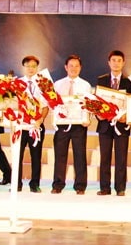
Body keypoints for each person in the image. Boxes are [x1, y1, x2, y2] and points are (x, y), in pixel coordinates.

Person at [96, 50, 131, 196]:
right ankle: (104, 188)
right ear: (109, 62)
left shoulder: (130, 83)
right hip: (105, 125)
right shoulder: (101, 80)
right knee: (104, 157)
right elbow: (96, 102)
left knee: (121, 157)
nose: (116, 63)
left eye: (119, 60)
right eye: (113, 60)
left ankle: (120, 188)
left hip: (122, 125)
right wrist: (99, 115)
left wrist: (127, 116)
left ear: (123, 63)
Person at [51, 55, 91, 195]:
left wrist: (87, 119)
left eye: (76, 66)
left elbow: (88, 105)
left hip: (79, 125)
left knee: (80, 155)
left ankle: (80, 186)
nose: (74, 68)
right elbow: (53, 104)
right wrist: (55, 121)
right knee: (60, 155)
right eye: (71, 66)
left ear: (80, 68)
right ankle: (57, 185)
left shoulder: (85, 85)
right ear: (65, 67)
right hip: (62, 124)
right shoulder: (57, 84)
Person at [18, 55, 50, 193]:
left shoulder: (43, 83)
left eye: (33, 66)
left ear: (37, 68)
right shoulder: (17, 83)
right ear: (24, 67)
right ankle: (17, 183)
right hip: (21, 126)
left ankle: (34, 184)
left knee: (36, 155)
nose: (31, 69)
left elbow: (46, 106)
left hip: (37, 125)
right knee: (17, 155)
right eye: (28, 66)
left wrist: (40, 120)